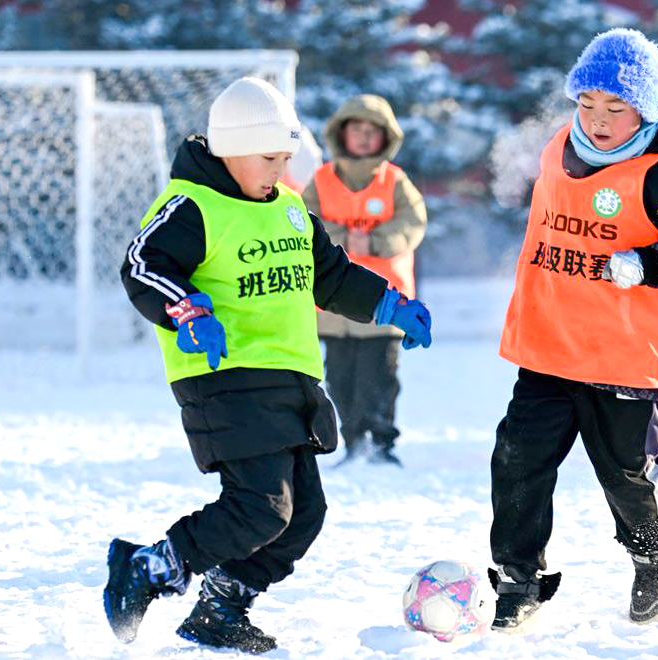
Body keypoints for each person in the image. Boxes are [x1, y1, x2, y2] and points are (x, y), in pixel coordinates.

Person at [105, 77, 432, 653]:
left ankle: (221, 606)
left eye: (286, 156)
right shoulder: (193, 205)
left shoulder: (289, 209)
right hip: (223, 377)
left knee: (304, 513)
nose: (281, 169)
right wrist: (186, 309)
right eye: (269, 157)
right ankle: (151, 568)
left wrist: (388, 305)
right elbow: (142, 264)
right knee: (260, 508)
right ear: (230, 149)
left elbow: (330, 275)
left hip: (291, 375)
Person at [489, 28, 658, 629]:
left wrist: (646, 263)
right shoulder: (557, 147)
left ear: (643, 111)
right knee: (516, 461)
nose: (597, 120)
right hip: (547, 345)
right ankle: (518, 582)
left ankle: (654, 558)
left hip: (624, 356)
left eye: (615, 108)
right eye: (587, 104)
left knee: (625, 474)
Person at [301, 94, 428, 466]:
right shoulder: (322, 180)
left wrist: (376, 241)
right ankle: (353, 439)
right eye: (356, 129)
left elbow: (413, 222)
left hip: (386, 302)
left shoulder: (395, 181)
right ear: (341, 134)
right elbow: (305, 221)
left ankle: (380, 442)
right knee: (339, 378)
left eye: (372, 131)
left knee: (380, 378)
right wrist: (341, 240)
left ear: (385, 137)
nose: (363, 137)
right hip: (333, 306)